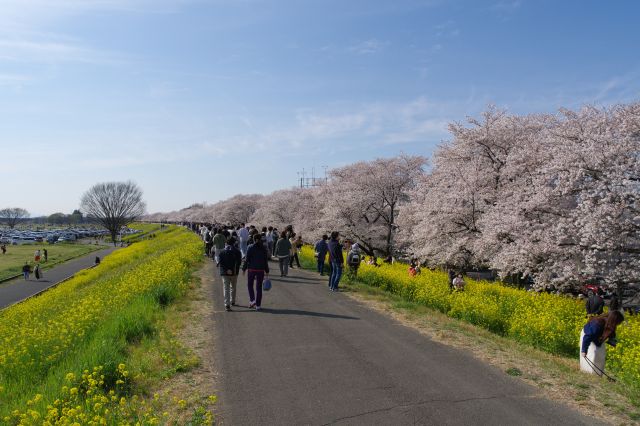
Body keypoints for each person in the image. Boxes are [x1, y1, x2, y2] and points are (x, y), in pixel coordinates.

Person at [242, 234, 270, 311]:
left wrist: (244, 269)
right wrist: (267, 270)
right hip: (260, 270)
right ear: (260, 239)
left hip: (251, 269)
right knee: (259, 288)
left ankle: (252, 300)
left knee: (250, 285)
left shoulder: (250, 247)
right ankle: (258, 305)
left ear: (253, 239)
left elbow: (247, 259)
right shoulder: (263, 248)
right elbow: (265, 261)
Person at [218, 237, 242, 311]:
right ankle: (232, 301)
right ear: (234, 243)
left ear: (226, 243)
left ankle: (227, 304)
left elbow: (220, 263)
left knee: (226, 288)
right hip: (234, 272)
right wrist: (232, 269)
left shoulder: (222, 251)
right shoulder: (237, 251)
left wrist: (227, 270)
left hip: (224, 273)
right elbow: (239, 263)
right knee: (233, 287)